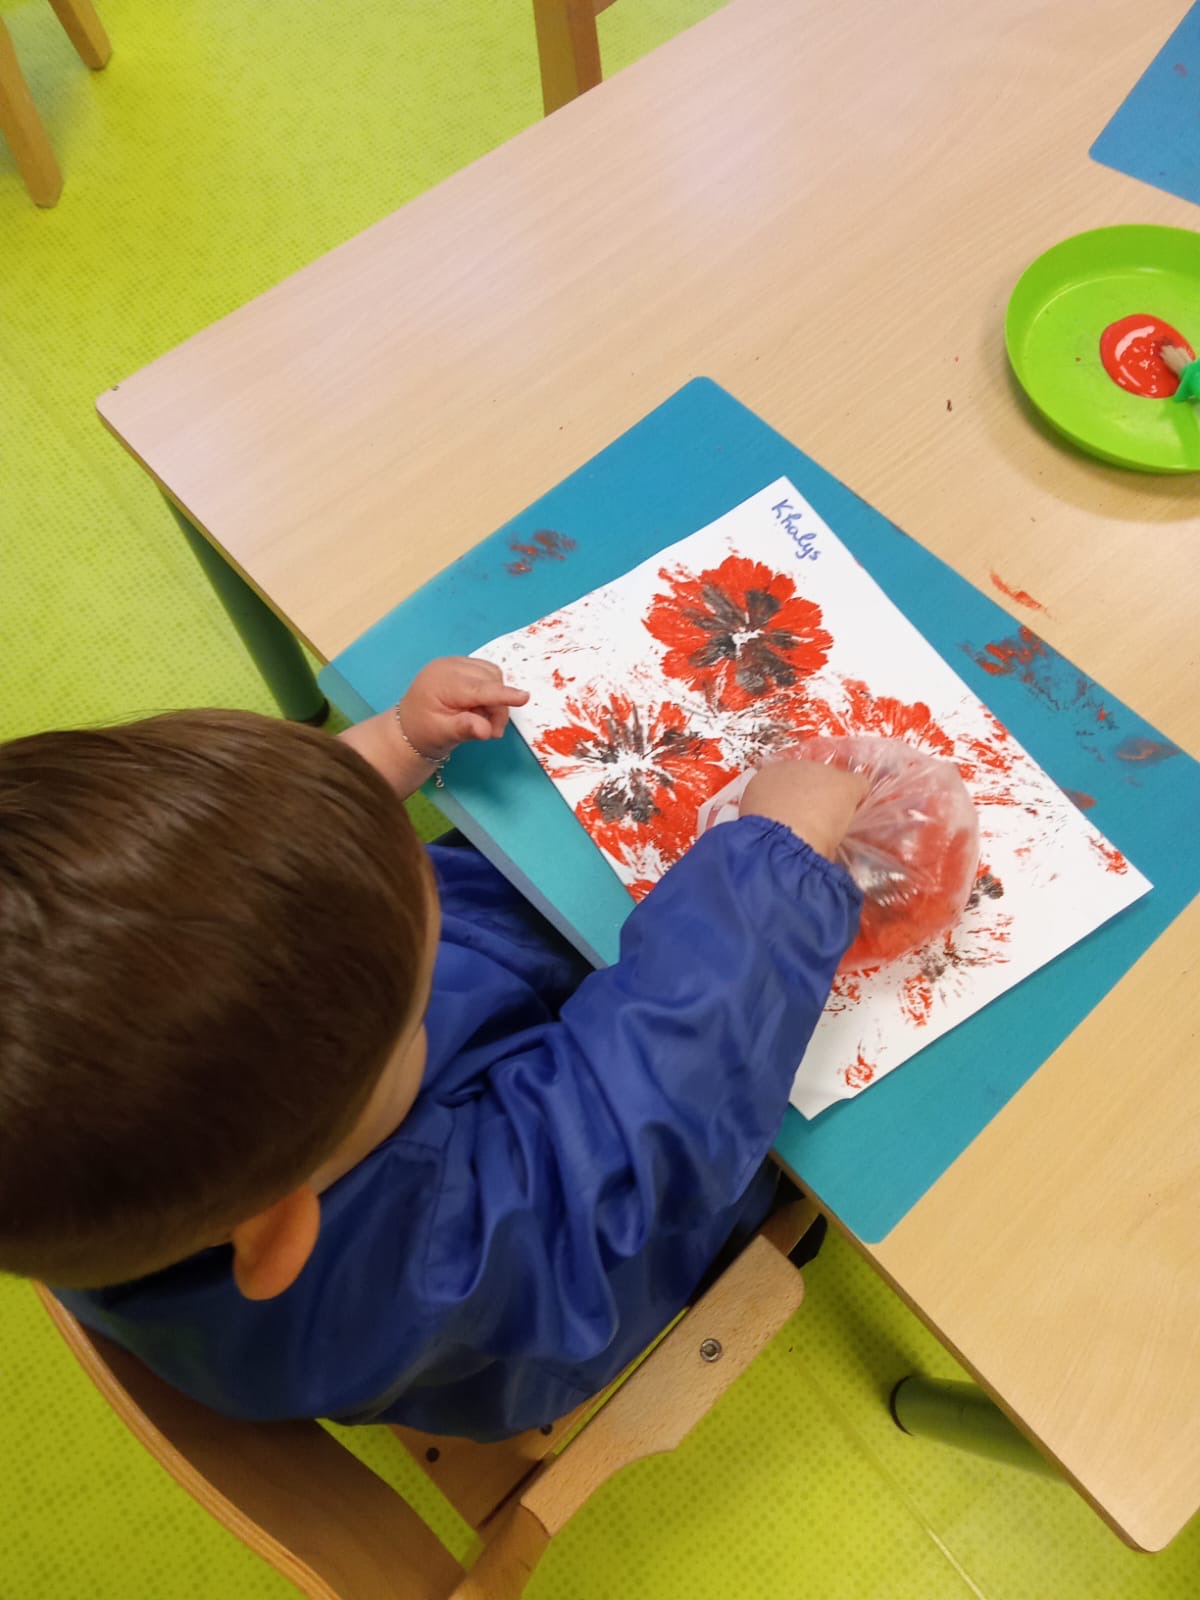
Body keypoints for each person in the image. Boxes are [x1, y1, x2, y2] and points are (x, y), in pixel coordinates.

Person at [0, 658, 866, 1440]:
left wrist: (392, 743)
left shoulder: (103, 1151)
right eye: (415, 1011)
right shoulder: (430, 1242)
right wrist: (776, 861)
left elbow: (250, 862)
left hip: (463, 1033)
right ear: (280, 1231)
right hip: (577, 1258)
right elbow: (644, 1119)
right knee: (763, 1133)